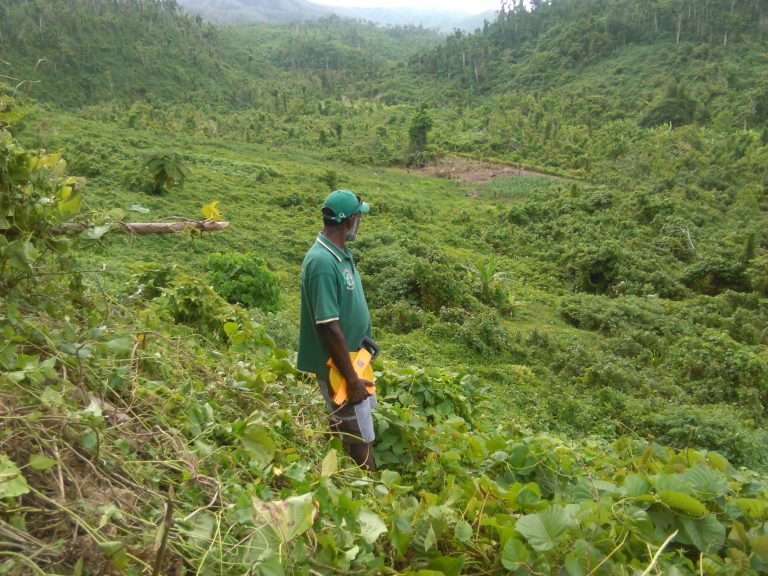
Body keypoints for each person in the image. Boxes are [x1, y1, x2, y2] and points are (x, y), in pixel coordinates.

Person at [297, 189, 377, 471]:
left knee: (350, 424)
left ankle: (341, 471)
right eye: (359, 217)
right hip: (340, 368)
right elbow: (329, 328)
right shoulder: (321, 262)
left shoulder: (338, 254)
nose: (360, 223)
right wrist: (351, 379)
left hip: (355, 359)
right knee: (359, 436)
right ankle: (372, 491)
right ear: (350, 221)